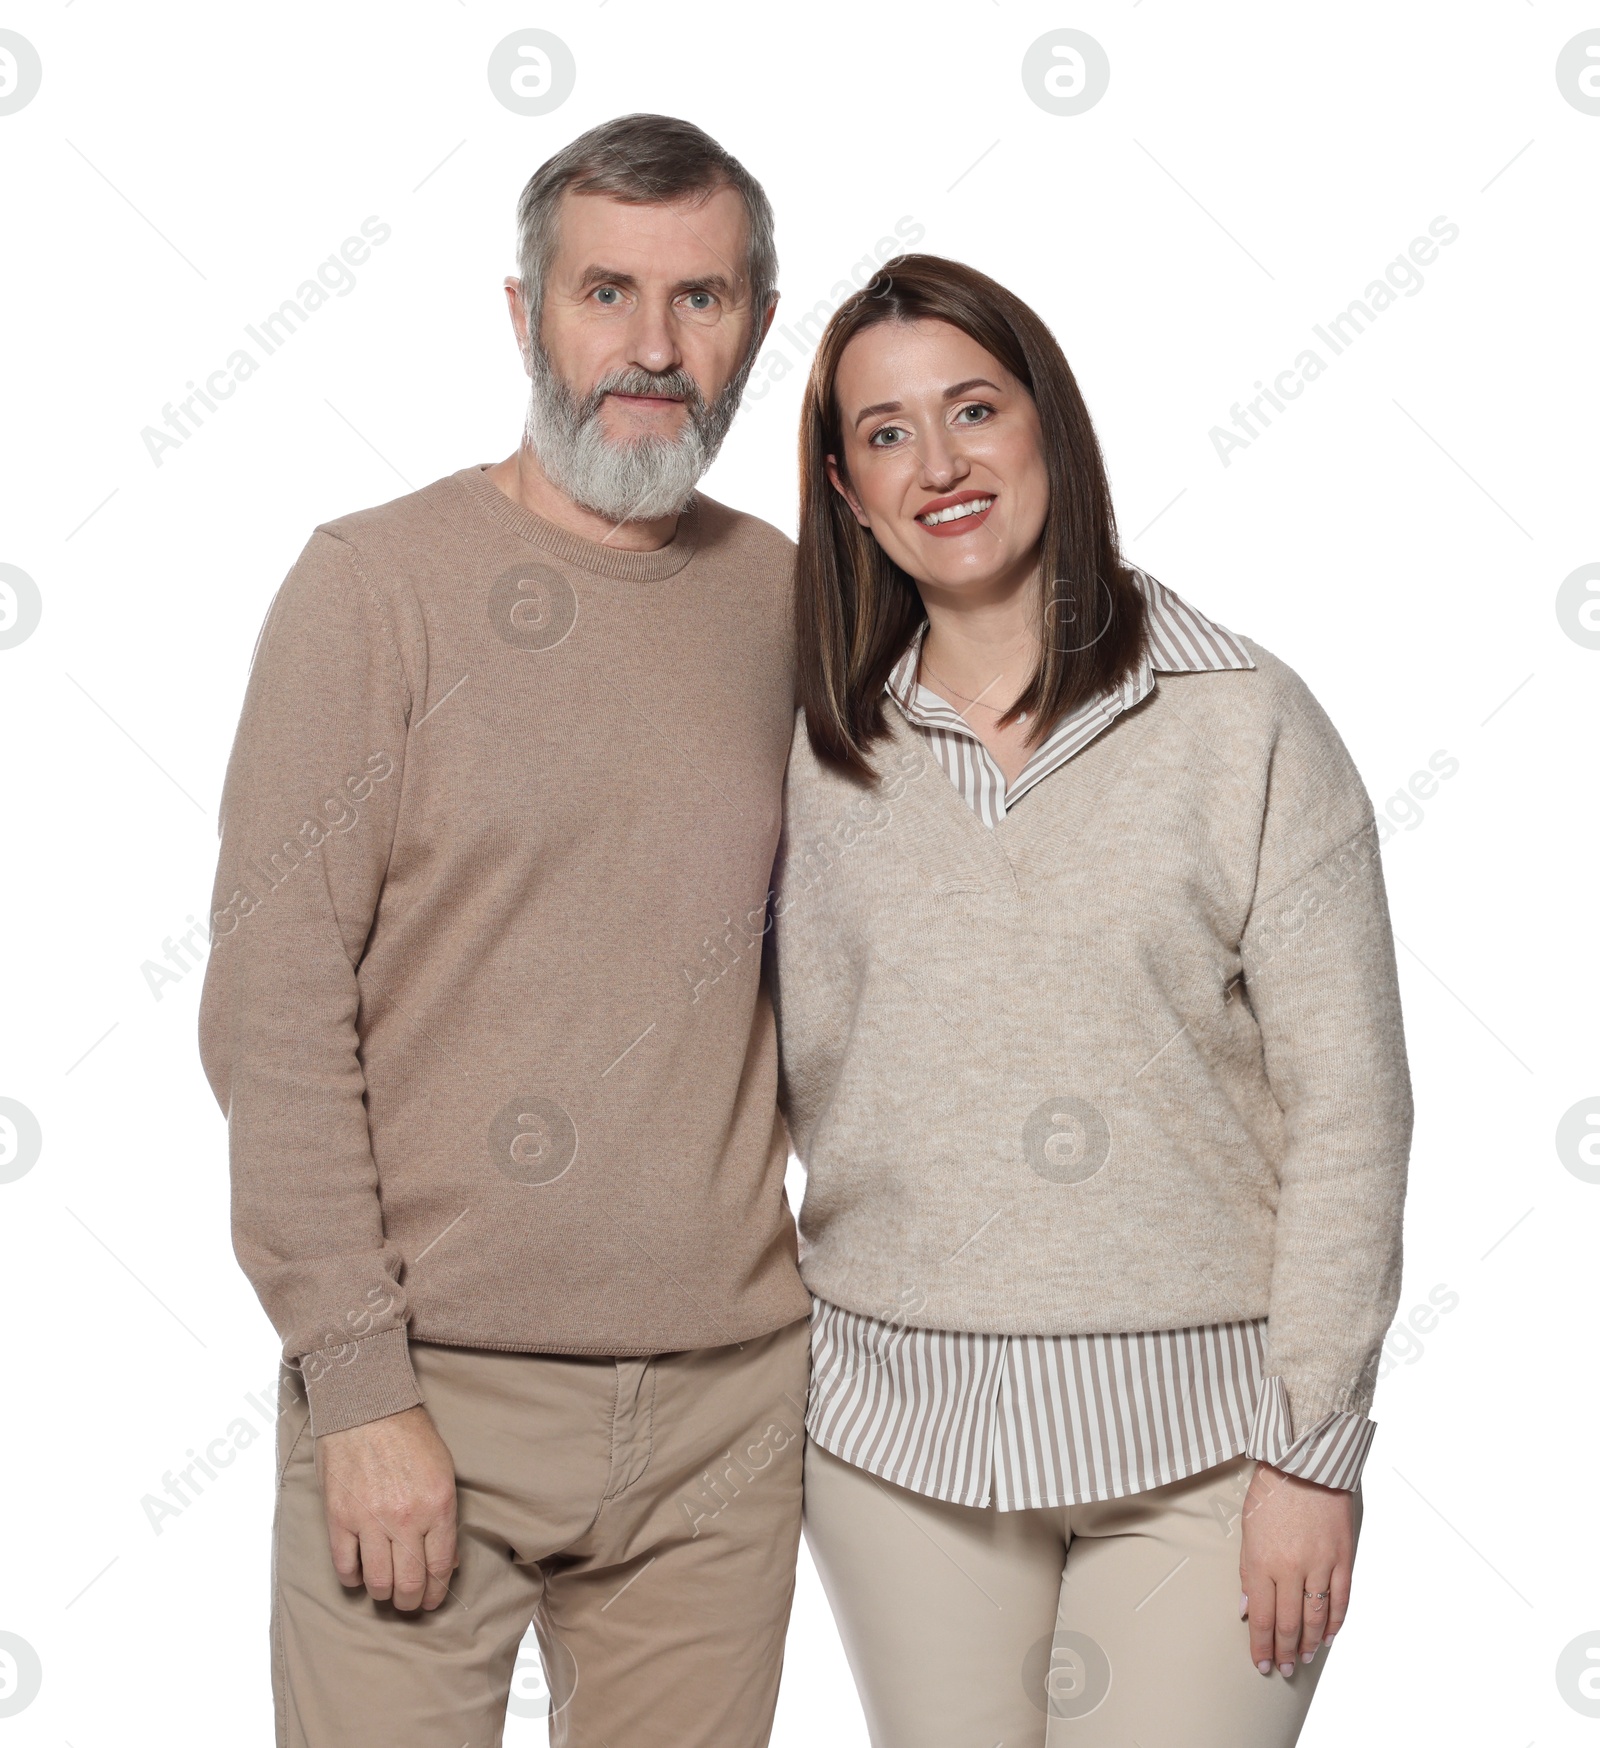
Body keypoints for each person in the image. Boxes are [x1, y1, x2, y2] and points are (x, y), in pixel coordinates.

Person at [199, 113, 813, 1747]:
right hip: (428, 1391)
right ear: (524, 311)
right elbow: (274, 1013)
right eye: (606, 291)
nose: (654, 348)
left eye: (703, 299)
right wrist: (359, 1384)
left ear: (755, 323)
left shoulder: (793, 604)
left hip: (725, 1416)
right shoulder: (371, 589)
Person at [771, 254, 1412, 1747]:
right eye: (885, 433)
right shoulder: (820, 752)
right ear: (847, 490)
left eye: (975, 409)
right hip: (893, 1443)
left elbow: (1354, 1109)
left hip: (1209, 1452)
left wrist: (1316, 1455)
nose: (939, 465)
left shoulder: (1242, 719)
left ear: (1049, 424)